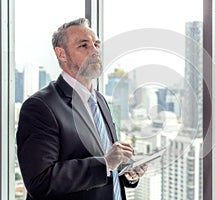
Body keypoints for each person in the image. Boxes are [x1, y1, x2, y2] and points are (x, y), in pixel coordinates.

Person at [16, 18, 147, 200]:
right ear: (61, 54)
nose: (94, 51)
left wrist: (126, 172)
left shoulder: (99, 100)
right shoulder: (40, 106)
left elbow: (102, 167)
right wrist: (106, 163)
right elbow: (40, 181)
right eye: (84, 45)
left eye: (96, 44)